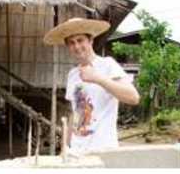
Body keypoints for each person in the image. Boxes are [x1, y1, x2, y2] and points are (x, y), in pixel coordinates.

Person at [42, 17, 140, 156]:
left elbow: (133, 97)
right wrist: (65, 145)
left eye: (80, 40)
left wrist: (97, 78)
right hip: (76, 150)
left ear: (91, 40)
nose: (76, 46)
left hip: (103, 149)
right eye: (71, 43)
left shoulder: (107, 65)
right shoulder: (73, 74)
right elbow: (75, 112)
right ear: (68, 47)